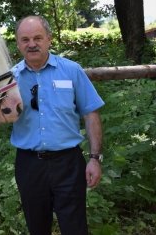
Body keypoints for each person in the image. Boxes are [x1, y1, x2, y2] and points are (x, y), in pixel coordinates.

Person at [10, 16, 104, 235]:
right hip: (29, 165)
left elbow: (91, 113)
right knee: (37, 228)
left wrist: (95, 159)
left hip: (68, 163)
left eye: (37, 38)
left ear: (49, 39)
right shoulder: (9, 80)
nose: (31, 44)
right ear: (18, 43)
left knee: (75, 229)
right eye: (25, 39)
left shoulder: (71, 71)